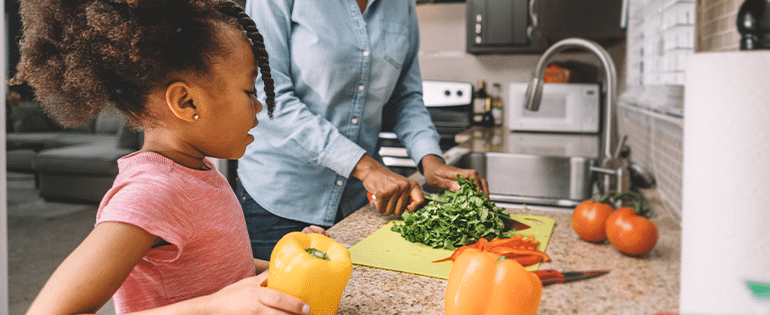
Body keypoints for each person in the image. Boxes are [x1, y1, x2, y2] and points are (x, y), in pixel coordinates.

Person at [11, 0, 325, 314]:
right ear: (187, 102)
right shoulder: (150, 193)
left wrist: (288, 265)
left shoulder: (198, 172)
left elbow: (224, 270)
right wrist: (215, 307)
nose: (258, 108)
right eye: (249, 91)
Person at [238, 0, 490, 260]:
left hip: (358, 204)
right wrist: (366, 167)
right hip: (281, 201)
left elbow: (405, 98)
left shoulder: (401, 5)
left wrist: (431, 160)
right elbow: (272, 98)